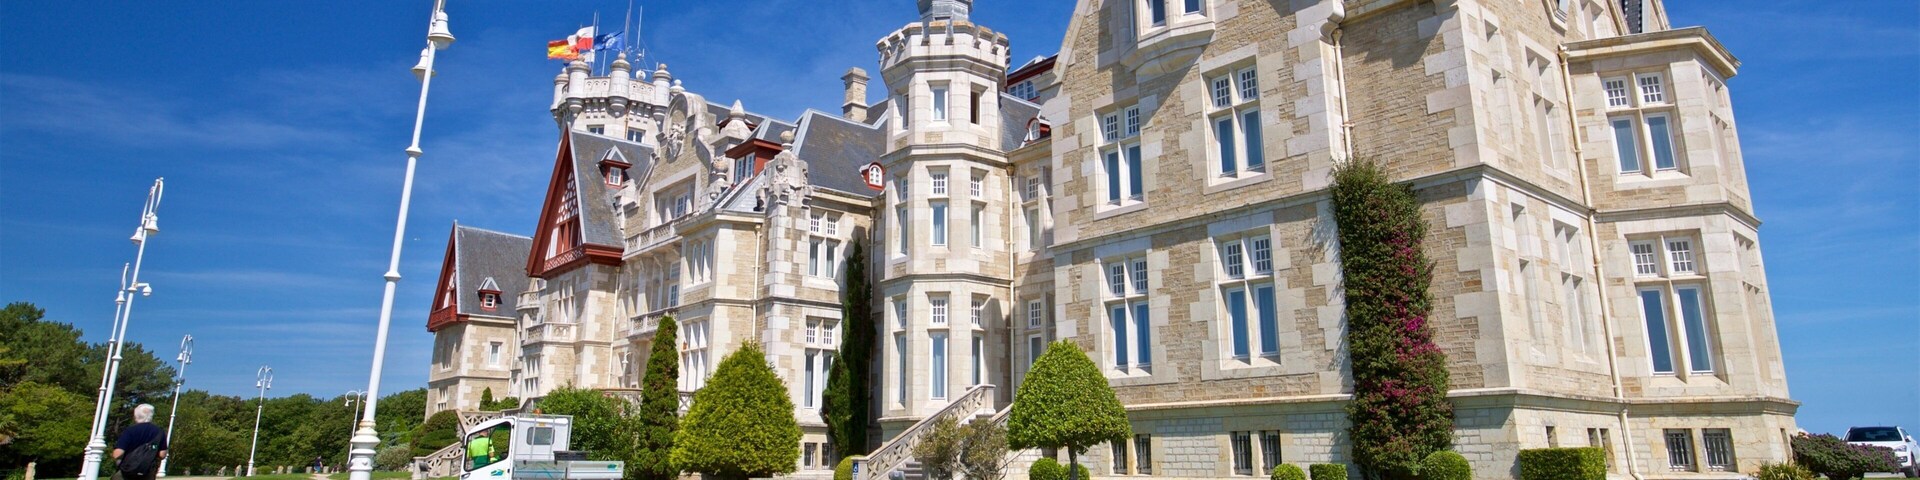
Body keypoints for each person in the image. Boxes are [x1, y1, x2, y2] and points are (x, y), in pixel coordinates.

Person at [112, 404, 168, 480]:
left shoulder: (130, 431)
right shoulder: (159, 432)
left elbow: (117, 454)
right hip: (147, 472)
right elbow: (162, 455)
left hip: (127, 471)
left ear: (135, 416)